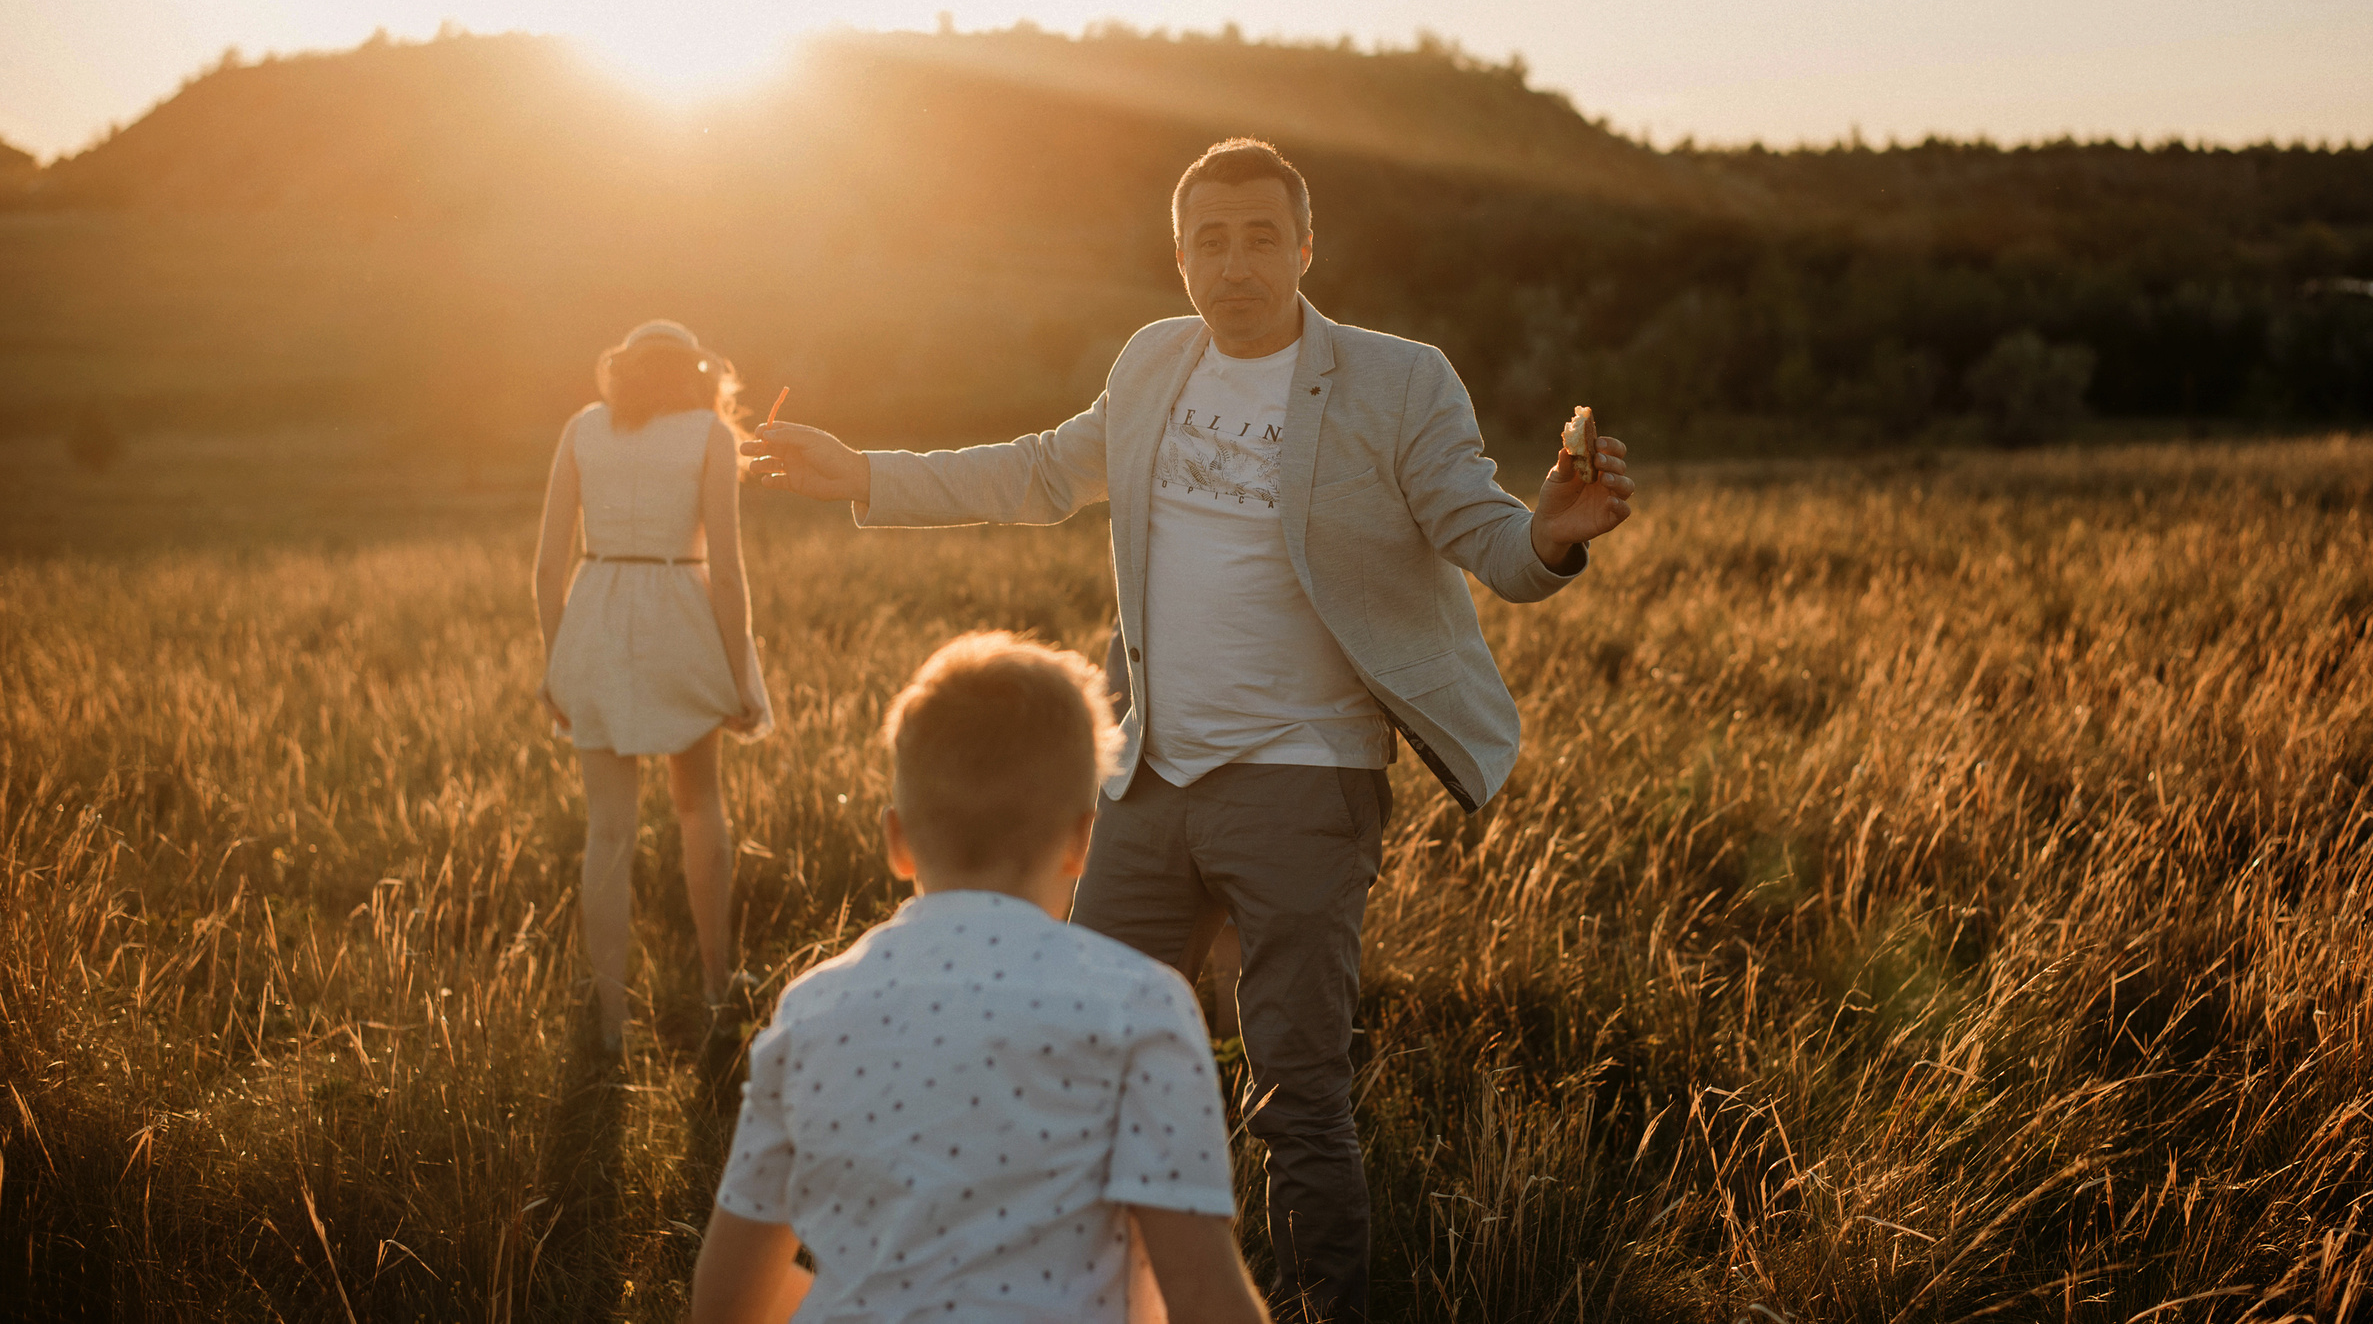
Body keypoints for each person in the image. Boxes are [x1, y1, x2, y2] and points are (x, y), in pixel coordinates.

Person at [749, 138, 1634, 1320]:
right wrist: (864, 469)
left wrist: (1554, 532)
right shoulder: (1154, 362)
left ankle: (1324, 1302)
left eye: (1261, 234)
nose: (1235, 262)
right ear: (1178, 257)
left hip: (1306, 781)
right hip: (1147, 778)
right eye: (1208, 239)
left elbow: (1488, 536)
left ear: (1306, 246)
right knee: (1078, 1059)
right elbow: (1038, 472)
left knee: (1298, 1087)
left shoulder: (1397, 379)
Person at [690, 632, 1268, 1324]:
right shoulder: (1139, 1007)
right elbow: (1205, 1297)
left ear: (896, 839)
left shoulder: (811, 1010)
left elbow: (724, 1302)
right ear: (1083, 841)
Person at [533, 319, 774, 1060]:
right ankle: (716, 985)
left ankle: (608, 1021)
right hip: (679, 608)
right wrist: (738, 674)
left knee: (607, 828)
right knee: (700, 807)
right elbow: (728, 570)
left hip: (597, 609)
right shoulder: (711, 433)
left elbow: (547, 566)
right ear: (699, 373)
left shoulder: (583, 427)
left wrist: (556, 663)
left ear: (625, 370)